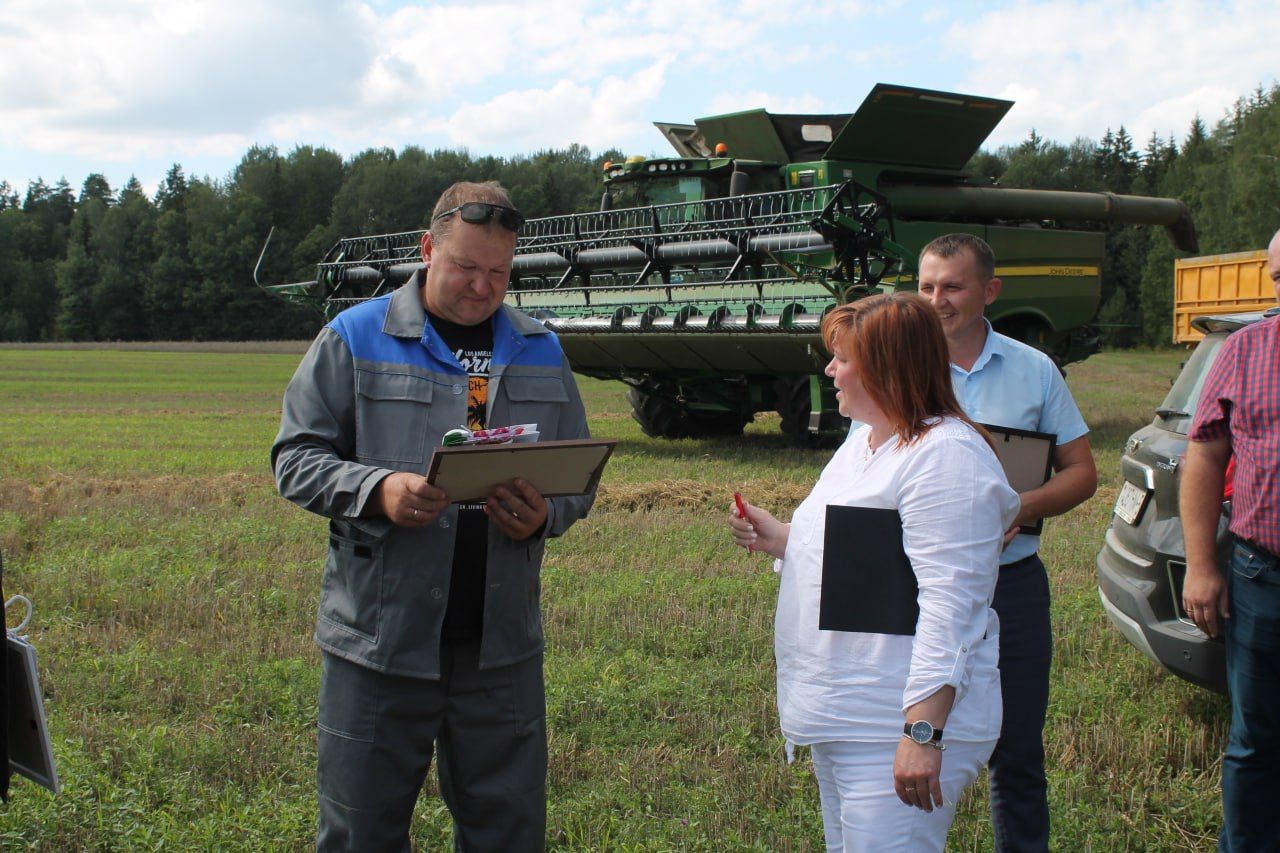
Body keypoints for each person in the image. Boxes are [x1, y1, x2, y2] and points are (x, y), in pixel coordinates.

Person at [271, 181, 595, 851]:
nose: (482, 286)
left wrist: (542, 514)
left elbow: (577, 481)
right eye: (465, 267)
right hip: (380, 645)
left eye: (499, 272)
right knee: (361, 830)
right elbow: (295, 458)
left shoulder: (542, 349)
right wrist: (378, 489)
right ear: (427, 250)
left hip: (499, 649)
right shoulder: (354, 337)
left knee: (507, 831)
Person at [730, 292, 1020, 851]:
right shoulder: (864, 443)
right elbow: (867, 560)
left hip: (893, 722)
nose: (829, 369)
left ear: (888, 366)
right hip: (849, 715)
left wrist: (923, 732)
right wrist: (783, 541)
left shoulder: (946, 457)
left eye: (842, 357)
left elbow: (952, 604)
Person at [916, 233, 1098, 852]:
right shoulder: (901, 368)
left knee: (1017, 752)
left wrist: (1018, 506)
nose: (936, 300)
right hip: (923, 591)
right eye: (926, 286)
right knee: (910, 743)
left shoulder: (1034, 369)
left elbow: (1082, 473)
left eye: (952, 287)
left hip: (1012, 588)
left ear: (989, 291)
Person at [1181, 228, 1280, 852]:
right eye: (1279, 276)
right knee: (1256, 741)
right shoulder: (1245, 349)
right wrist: (1200, 565)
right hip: (1262, 575)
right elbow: (1203, 457)